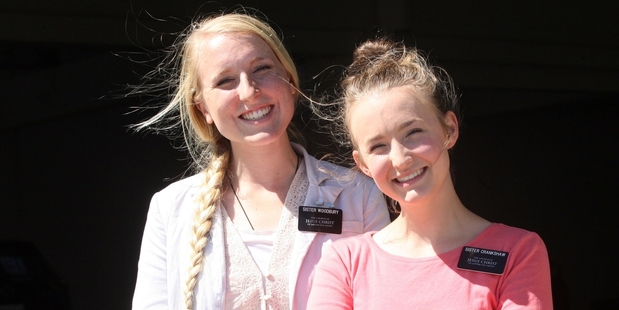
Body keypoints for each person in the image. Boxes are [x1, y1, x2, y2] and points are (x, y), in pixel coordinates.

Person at [131, 12, 391, 310]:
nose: (249, 91)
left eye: (262, 68)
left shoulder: (358, 194)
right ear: (202, 107)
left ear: (290, 81)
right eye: (226, 80)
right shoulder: (170, 209)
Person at [306, 38, 553, 309]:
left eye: (413, 133)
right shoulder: (344, 263)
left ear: (450, 129)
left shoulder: (518, 252)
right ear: (362, 163)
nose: (400, 160)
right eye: (378, 146)